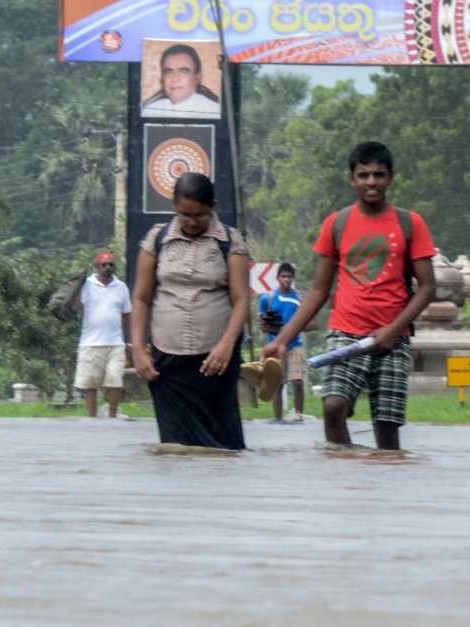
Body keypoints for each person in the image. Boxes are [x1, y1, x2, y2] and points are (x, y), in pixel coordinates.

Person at [262, 142, 437, 451]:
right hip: (345, 336)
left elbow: (427, 287)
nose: (372, 182)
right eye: (364, 175)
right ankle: (345, 480)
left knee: (387, 430)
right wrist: (281, 341)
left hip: (392, 340)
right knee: (333, 407)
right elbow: (318, 291)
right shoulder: (336, 223)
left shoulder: (411, 223)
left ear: (391, 177)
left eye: (379, 175)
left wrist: (393, 331)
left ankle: (382, 489)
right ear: (351, 179)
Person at [130, 172, 251, 450]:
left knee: (223, 446)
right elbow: (141, 298)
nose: (192, 222)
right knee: (174, 447)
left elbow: (242, 299)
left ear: (213, 207)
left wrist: (227, 344)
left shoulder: (230, 242)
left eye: (199, 215)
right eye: (184, 214)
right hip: (167, 364)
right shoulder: (156, 239)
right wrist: (137, 348)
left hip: (215, 361)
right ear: (174, 206)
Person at [72, 252, 132, 418]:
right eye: (104, 265)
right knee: (91, 383)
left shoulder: (121, 287)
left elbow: (128, 315)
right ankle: (92, 419)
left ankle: (112, 417)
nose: (108, 268)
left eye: (111, 265)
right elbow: (76, 307)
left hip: (115, 343)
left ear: (114, 268)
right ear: (96, 267)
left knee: (115, 381)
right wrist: (77, 283)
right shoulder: (87, 285)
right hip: (90, 342)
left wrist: (131, 342)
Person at [258, 262, 317, 423]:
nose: (286, 279)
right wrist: (272, 326)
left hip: (295, 344)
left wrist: (291, 328)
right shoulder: (268, 298)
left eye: (289, 276)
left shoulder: (300, 297)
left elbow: (314, 324)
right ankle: (278, 419)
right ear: (277, 278)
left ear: (293, 278)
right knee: (277, 384)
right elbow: (263, 327)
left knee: (297, 381)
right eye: (283, 276)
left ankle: (298, 415)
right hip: (274, 344)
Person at [141, 44, 221, 119]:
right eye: (169, 72)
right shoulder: (150, 110)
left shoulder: (213, 110)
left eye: (183, 71)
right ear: (162, 78)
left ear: (197, 76)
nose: (175, 79)